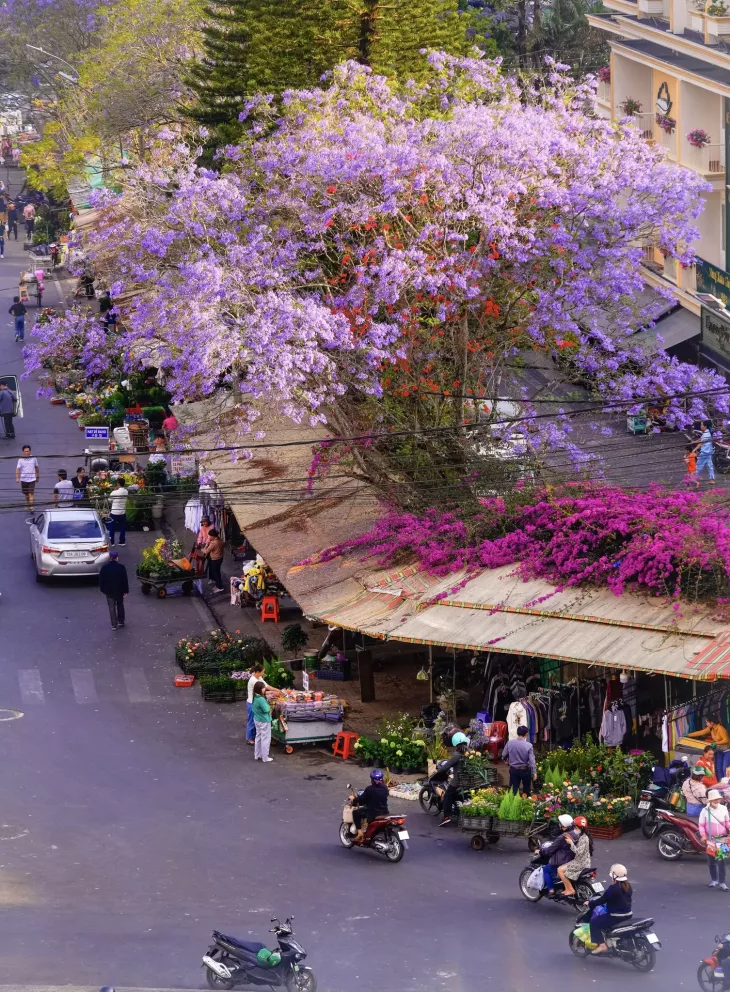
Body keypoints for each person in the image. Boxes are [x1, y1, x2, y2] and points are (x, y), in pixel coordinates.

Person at [587, 864, 633, 954]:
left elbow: (602, 900)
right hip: (628, 915)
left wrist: (590, 903)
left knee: (594, 923)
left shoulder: (613, 888)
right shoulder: (628, 886)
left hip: (615, 916)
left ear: (614, 875)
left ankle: (602, 945)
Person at [699, 789, 730, 890]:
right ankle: (714, 880)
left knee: (722, 861)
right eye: (715, 799)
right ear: (710, 800)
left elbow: (727, 823)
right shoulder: (705, 811)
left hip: (723, 839)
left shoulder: (723, 809)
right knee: (711, 861)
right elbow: (701, 825)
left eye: (718, 799)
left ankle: (722, 883)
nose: (717, 801)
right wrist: (703, 835)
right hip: (711, 840)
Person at [439, 731, 470, 827]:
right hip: (468, 780)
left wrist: (438, 771)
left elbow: (446, 766)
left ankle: (446, 816)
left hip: (458, 781)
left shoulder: (457, 755)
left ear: (455, 744)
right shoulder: (469, 753)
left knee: (447, 795)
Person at [559, 814, 594, 897]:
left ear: (580, 827)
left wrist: (571, 843)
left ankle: (569, 889)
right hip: (583, 861)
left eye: (575, 827)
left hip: (580, 863)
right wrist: (571, 840)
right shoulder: (584, 836)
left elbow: (578, 852)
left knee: (560, 870)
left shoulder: (584, 838)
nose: (574, 829)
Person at [541, 813, 577, 894]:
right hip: (575, 860)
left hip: (564, 861)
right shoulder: (576, 834)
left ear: (563, 825)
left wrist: (541, 851)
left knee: (546, 869)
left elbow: (550, 850)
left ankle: (551, 890)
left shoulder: (563, 837)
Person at [352, 768, 390, 843]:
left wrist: (354, 799)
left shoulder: (369, 789)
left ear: (372, 780)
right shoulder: (385, 788)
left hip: (373, 813)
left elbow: (361, 800)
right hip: (385, 812)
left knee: (355, 813)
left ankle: (359, 832)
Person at [502, 724, 537, 796]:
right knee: (526, 790)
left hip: (513, 770)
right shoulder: (529, 745)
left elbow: (503, 754)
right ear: (526, 734)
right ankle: (525, 804)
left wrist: (506, 760)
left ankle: (513, 805)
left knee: (513, 791)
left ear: (517, 733)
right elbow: (532, 761)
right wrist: (534, 772)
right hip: (525, 770)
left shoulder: (510, 743)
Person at [98, 549, 129, 630]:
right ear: (117, 558)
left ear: (110, 558)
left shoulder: (104, 568)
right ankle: (121, 621)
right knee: (120, 605)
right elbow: (124, 580)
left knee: (111, 607)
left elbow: (102, 580)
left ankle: (113, 625)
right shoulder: (121, 567)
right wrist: (125, 591)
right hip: (119, 590)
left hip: (109, 591)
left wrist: (103, 589)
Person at [246, 661, 269, 745]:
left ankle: (253, 737)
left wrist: (277, 690)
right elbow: (264, 690)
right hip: (251, 703)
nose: (264, 673)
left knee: (254, 720)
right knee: (252, 721)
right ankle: (249, 738)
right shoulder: (254, 681)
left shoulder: (259, 678)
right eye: (263, 671)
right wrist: (276, 692)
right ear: (258, 672)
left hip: (254, 702)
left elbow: (266, 686)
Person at [252, 680, 273, 762]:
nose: (264, 689)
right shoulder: (261, 699)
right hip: (264, 720)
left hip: (257, 719)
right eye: (263, 688)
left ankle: (257, 755)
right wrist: (269, 708)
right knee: (266, 738)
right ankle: (265, 757)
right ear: (259, 689)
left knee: (258, 737)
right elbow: (267, 709)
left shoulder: (254, 696)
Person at [108, 477, 129, 546]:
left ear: (118, 484)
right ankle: (122, 541)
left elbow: (109, 500)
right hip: (122, 512)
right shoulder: (126, 491)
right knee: (122, 527)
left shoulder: (115, 492)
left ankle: (112, 542)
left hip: (114, 512)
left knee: (112, 527)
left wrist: (114, 490)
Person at [203, 527, 225, 592]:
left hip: (215, 559)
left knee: (216, 573)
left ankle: (219, 587)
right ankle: (217, 585)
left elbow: (206, 551)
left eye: (210, 536)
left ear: (213, 536)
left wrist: (201, 549)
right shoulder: (220, 540)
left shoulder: (214, 543)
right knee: (217, 572)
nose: (209, 537)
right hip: (220, 558)